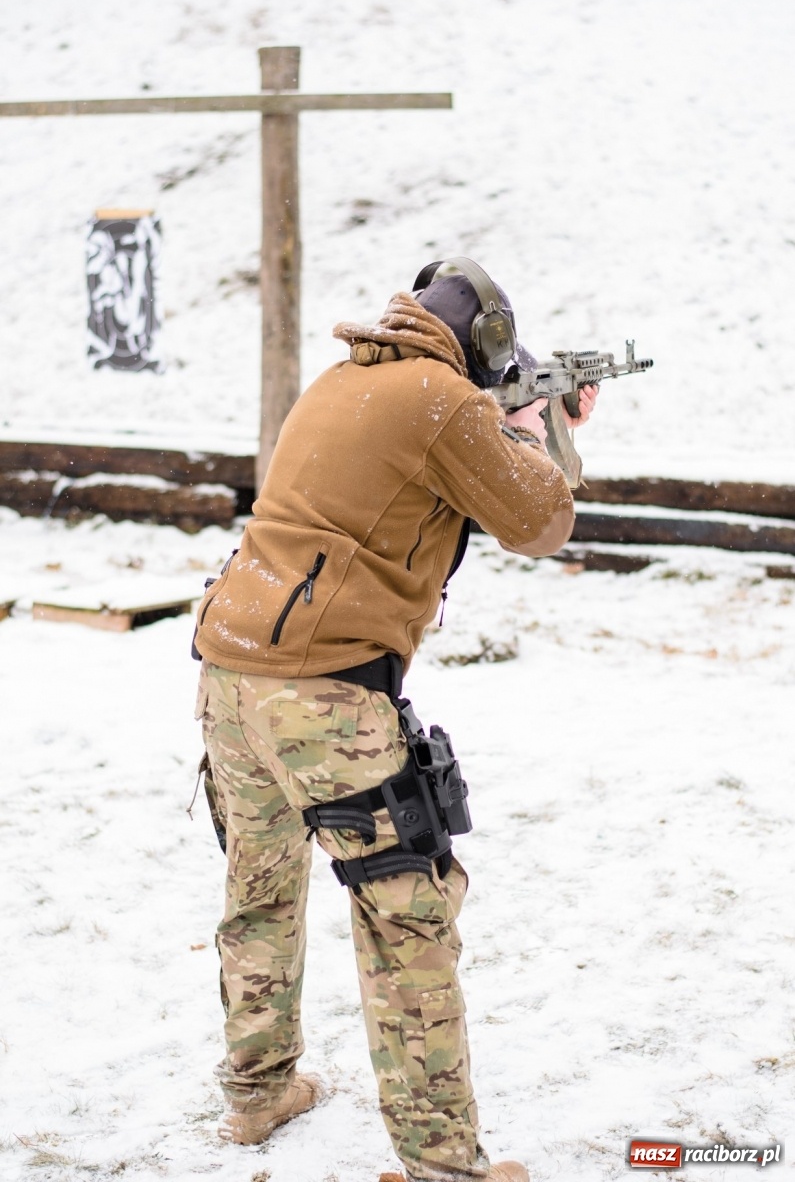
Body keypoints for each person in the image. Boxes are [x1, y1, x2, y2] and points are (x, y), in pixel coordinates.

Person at [192, 257, 598, 1182]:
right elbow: (541, 523)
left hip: (229, 664)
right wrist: (537, 432)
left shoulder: (347, 376)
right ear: (487, 348)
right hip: (323, 692)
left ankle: (256, 1094)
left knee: (260, 888)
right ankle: (444, 1165)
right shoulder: (445, 403)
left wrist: (511, 422)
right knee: (405, 918)